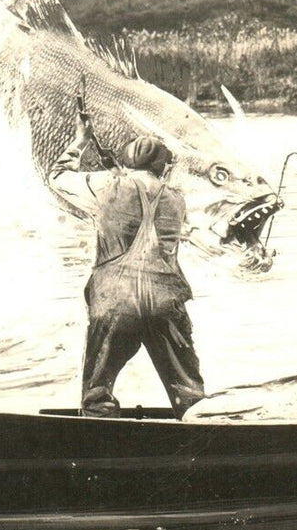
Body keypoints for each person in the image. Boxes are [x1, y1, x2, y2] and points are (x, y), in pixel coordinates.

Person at [47, 113, 205, 418]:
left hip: (115, 304)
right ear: (163, 167)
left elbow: (58, 177)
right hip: (165, 304)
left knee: (97, 394)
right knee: (189, 392)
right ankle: (200, 429)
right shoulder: (177, 199)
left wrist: (81, 140)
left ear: (127, 162)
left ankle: (98, 426)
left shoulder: (105, 186)